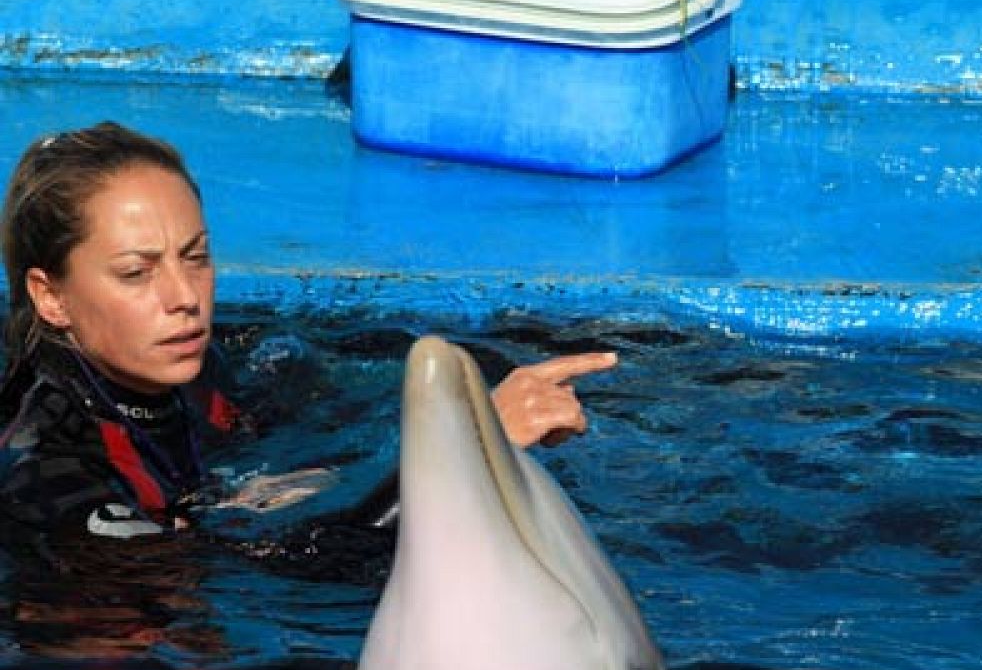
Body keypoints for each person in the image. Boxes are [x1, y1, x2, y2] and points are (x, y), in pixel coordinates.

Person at [0, 122, 616, 541]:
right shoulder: (44, 474)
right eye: (137, 273)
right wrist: (470, 450)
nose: (185, 299)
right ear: (50, 296)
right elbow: (286, 577)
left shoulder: (180, 364)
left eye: (196, 257)